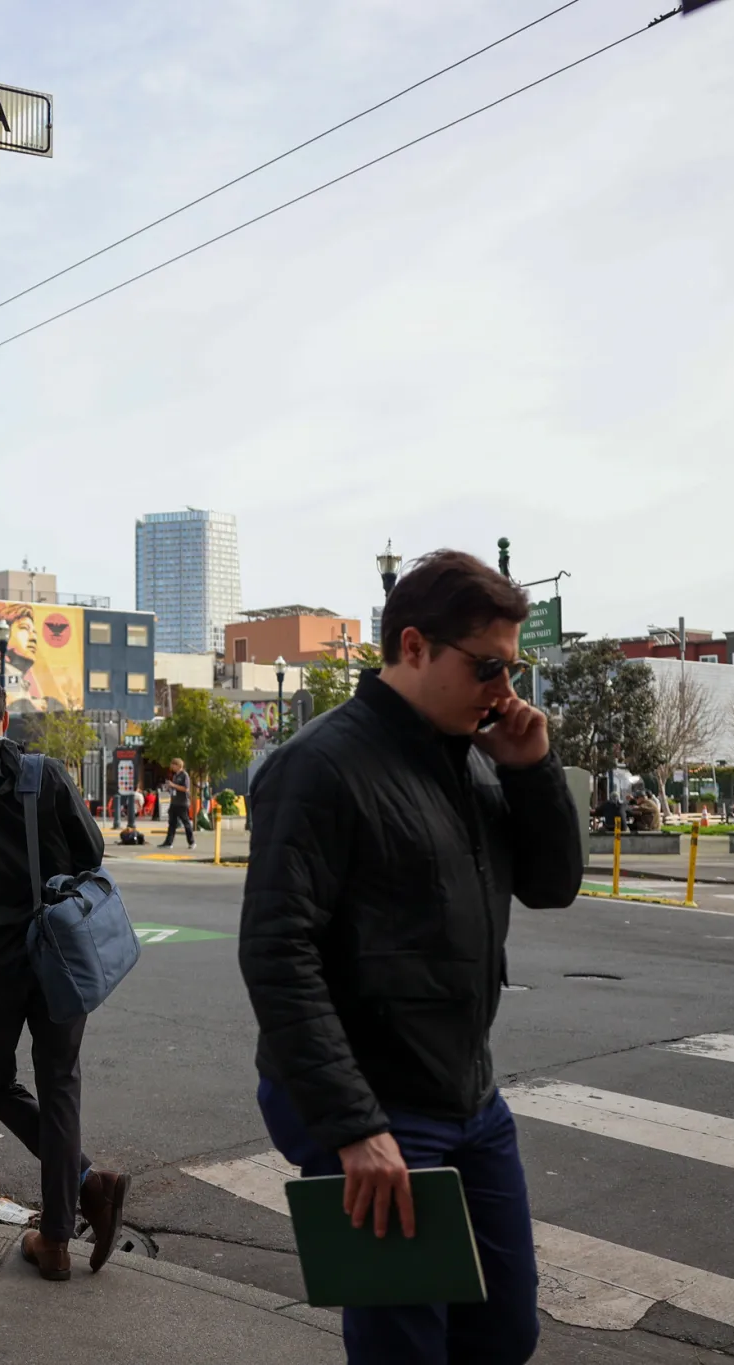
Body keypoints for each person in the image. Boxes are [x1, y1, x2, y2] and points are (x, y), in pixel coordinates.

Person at [238, 549, 581, 1365]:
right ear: (416, 646)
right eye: (488, 666)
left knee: (504, 1331)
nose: (505, 688)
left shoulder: (476, 757)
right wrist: (355, 1128)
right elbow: (278, 952)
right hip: (373, 1103)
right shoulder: (319, 766)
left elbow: (552, 885)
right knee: (405, 1346)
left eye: (512, 667)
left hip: (467, 1092)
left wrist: (533, 772)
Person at [0, 674, 127, 1281]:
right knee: (60, 1084)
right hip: (58, 957)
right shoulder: (44, 773)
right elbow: (91, 853)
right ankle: (61, 1231)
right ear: (5, 719)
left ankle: (86, 1192)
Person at [159, 758, 195, 848]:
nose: (172, 767)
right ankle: (168, 843)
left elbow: (186, 789)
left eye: (173, 765)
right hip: (174, 802)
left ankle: (191, 842)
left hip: (182, 803)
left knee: (186, 822)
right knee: (172, 823)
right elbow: (174, 788)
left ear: (178, 765)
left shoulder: (184, 775)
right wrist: (169, 788)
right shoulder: (175, 776)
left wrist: (173, 785)